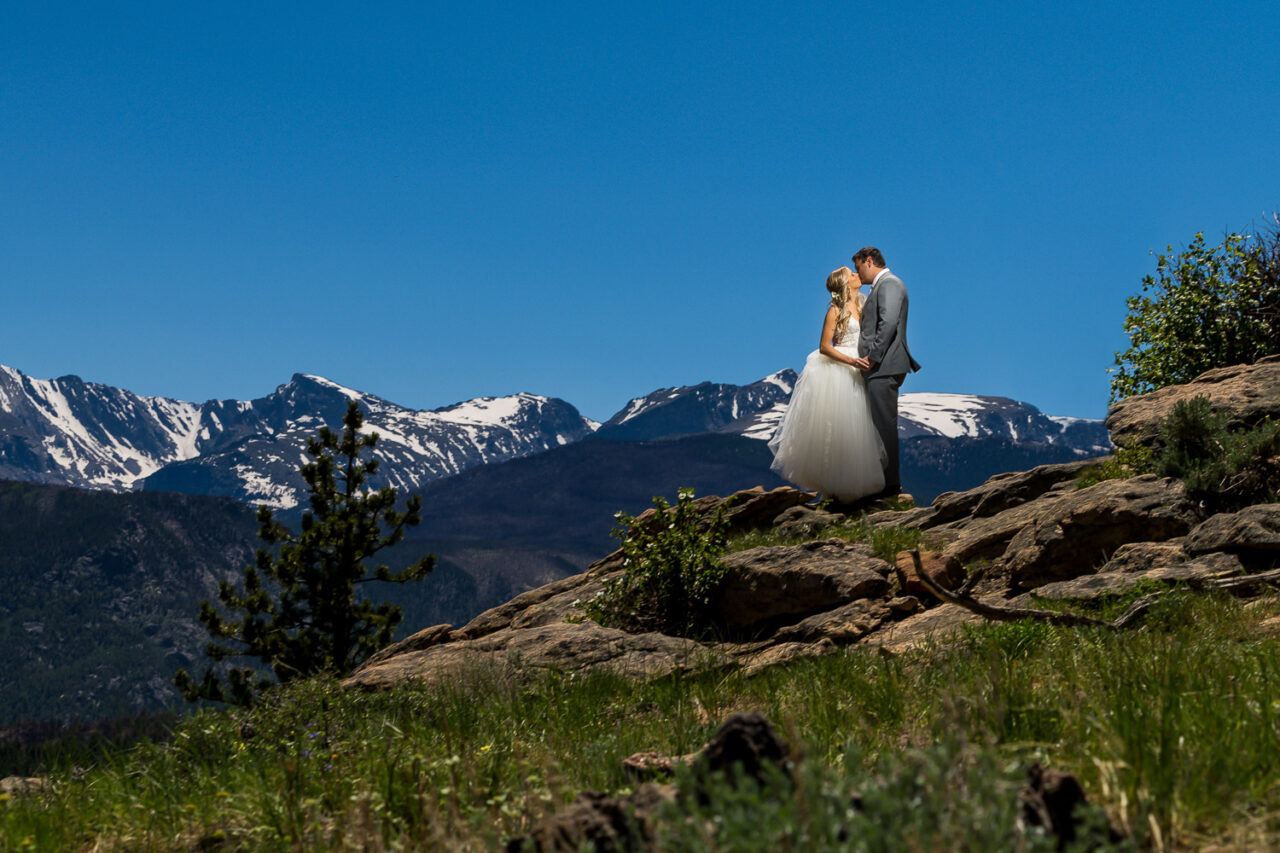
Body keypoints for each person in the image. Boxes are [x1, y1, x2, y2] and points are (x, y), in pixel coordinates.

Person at [768, 266, 886, 502]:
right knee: (840, 426)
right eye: (851, 274)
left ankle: (857, 484)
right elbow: (824, 346)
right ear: (845, 284)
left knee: (859, 426)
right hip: (842, 369)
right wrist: (851, 361)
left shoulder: (863, 304)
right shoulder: (835, 310)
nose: (857, 275)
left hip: (861, 368)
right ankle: (836, 487)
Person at [851, 247, 921, 497]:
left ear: (869, 261)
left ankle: (889, 486)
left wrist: (873, 356)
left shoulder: (889, 283)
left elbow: (888, 321)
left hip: (884, 365)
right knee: (879, 425)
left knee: (884, 426)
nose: (858, 274)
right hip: (882, 365)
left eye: (859, 267)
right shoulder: (882, 286)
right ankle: (883, 482)